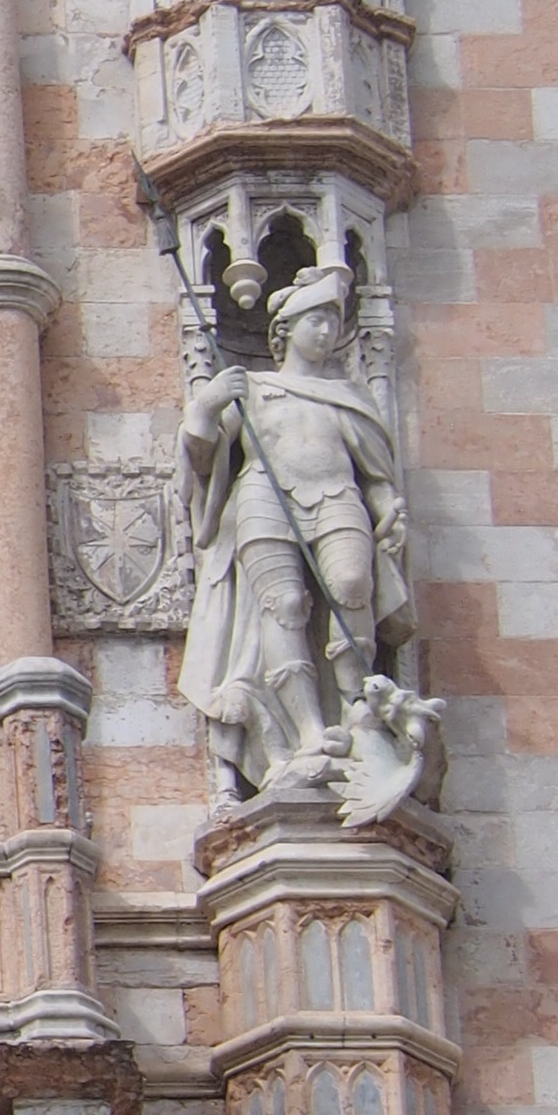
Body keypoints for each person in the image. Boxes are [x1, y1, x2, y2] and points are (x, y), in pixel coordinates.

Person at [176, 260, 413, 798]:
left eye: (333, 320)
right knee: (282, 606)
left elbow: (375, 473)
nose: (326, 331)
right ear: (285, 330)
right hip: (264, 499)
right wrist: (207, 406)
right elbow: (205, 458)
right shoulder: (254, 387)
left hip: (337, 497)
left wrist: (388, 510)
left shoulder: (348, 397)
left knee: (352, 584)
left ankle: (356, 710)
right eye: (315, 320)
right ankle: (308, 732)